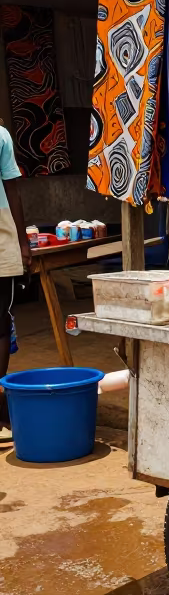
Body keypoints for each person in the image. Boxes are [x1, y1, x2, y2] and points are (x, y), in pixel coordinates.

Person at [0, 122, 29, 402]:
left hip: (2, 237)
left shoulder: (1, 136)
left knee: (0, 320)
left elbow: (12, 189)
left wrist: (22, 242)